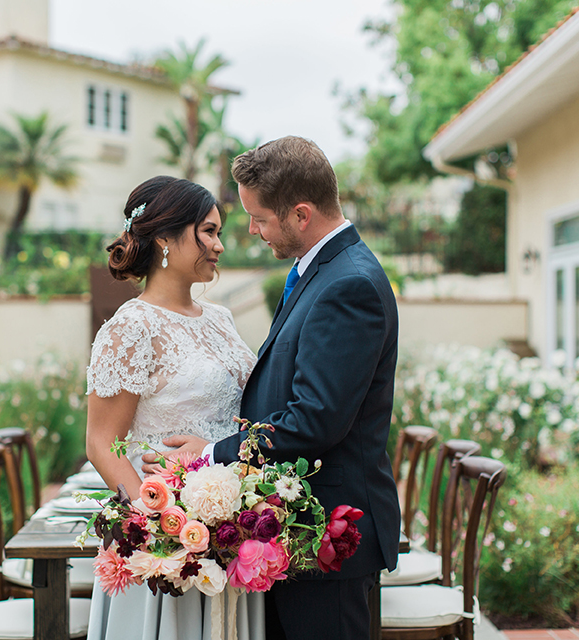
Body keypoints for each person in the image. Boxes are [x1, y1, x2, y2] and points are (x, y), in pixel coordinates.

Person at [142, 136, 401, 640]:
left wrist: (213, 453)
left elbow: (315, 420)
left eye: (259, 218)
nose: (253, 230)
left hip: (329, 536)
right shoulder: (318, 272)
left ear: (301, 215)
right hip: (294, 532)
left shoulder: (349, 285)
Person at [84, 175, 264, 640]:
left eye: (218, 232)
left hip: (232, 532)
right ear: (164, 236)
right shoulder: (131, 329)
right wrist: (155, 529)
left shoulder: (221, 319)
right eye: (208, 231)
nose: (219, 245)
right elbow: (102, 443)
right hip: (169, 541)